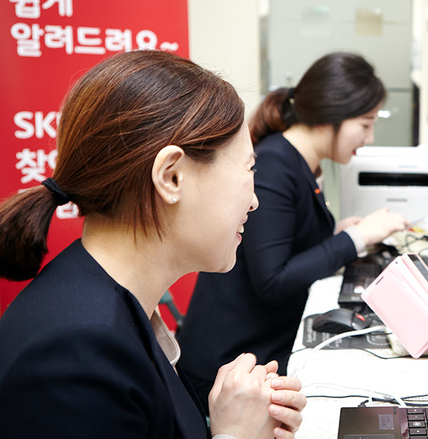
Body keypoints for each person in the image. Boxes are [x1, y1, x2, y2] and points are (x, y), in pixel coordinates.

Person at [0, 50, 306, 438]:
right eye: (249, 170)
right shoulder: (77, 353)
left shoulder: (112, 306)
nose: (255, 200)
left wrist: (234, 423)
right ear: (172, 177)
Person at [178, 52, 408, 410]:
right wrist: (355, 240)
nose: (370, 136)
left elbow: (287, 244)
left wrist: (340, 237)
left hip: (254, 351)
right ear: (333, 115)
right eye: (365, 124)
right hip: (226, 366)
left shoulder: (297, 164)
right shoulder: (274, 165)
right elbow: (273, 280)